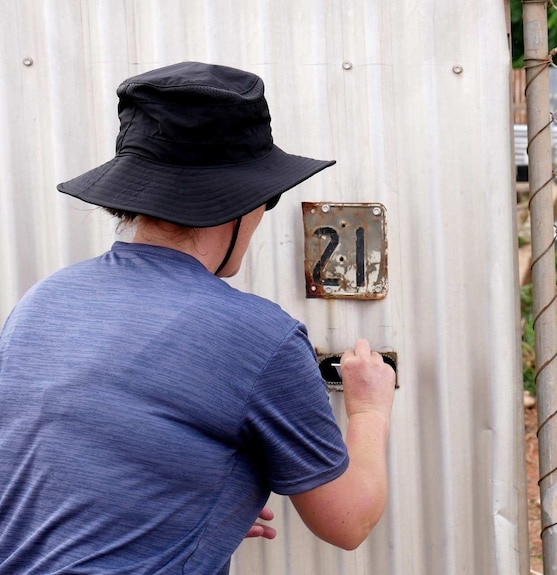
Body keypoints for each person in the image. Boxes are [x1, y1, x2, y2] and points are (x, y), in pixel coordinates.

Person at [0, 62, 396, 574]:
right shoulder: (260, 337)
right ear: (241, 203)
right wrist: (369, 411)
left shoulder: (42, 302)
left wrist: (180, 500)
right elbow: (347, 521)